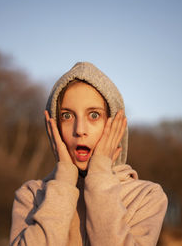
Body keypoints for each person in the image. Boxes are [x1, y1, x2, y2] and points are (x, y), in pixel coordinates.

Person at [10, 62, 168, 246]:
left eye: (94, 115)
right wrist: (64, 181)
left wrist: (100, 174)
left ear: (116, 124)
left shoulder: (145, 196)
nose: (80, 130)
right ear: (54, 126)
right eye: (67, 116)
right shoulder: (31, 195)